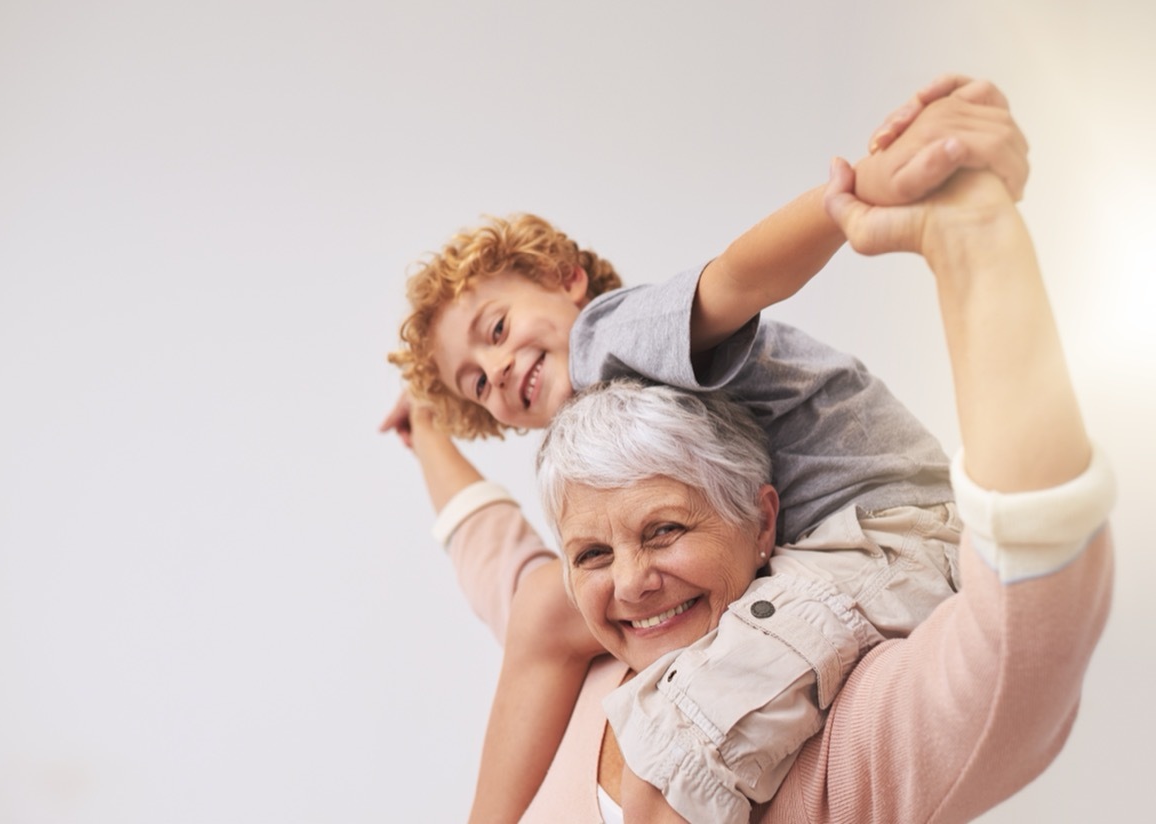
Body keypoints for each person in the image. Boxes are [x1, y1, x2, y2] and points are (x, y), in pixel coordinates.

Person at [383, 77, 1029, 822]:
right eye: (476, 385)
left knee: (659, 751)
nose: (496, 371)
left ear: (568, 281)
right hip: (844, 542)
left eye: (496, 331)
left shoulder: (612, 338)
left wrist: (858, 195)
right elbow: (491, 554)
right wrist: (427, 428)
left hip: (884, 531)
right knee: (545, 609)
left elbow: (738, 277)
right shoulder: (608, 445)